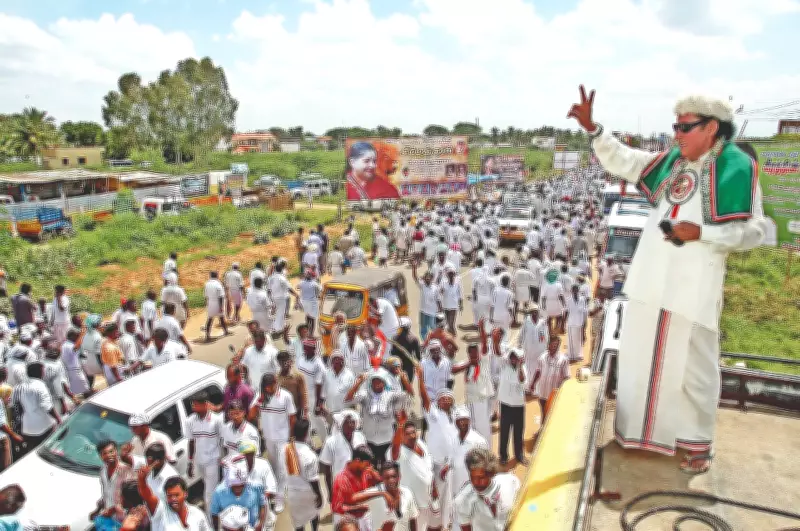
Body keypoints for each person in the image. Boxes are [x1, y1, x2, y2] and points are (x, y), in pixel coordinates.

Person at [570, 87, 767, 473]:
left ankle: (697, 444)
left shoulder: (737, 168)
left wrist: (702, 233)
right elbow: (627, 161)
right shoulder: (674, 162)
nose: (676, 134)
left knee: (693, 368)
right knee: (641, 360)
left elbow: (756, 231)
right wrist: (595, 129)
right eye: (675, 126)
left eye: (685, 127)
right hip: (650, 280)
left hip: (693, 288)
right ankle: (639, 436)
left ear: (712, 128)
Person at [248, 373, 297, 508]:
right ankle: (273, 491)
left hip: (283, 439)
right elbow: (251, 415)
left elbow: (292, 418)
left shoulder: (286, 396)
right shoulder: (260, 396)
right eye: (269, 386)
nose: (272, 388)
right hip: (268, 438)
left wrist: (291, 438)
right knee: (273, 467)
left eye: (274, 385)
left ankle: (280, 498)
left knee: (282, 468)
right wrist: (259, 401)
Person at [416, 370, 456, 531]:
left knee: (448, 497)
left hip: (449, 464)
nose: (445, 400)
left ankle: (445, 524)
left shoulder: (456, 416)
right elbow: (425, 399)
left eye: (448, 398)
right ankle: (431, 524)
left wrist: (451, 462)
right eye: (442, 398)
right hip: (434, 464)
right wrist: (420, 378)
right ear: (438, 402)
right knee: (433, 495)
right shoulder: (433, 414)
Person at [344, 372, 409, 469]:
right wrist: (358, 382)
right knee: (370, 468)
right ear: (371, 383)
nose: (377, 384)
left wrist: (404, 380)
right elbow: (348, 399)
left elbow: (408, 394)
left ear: (384, 383)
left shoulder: (392, 396)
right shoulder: (365, 394)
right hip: (369, 440)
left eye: (379, 382)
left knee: (387, 468)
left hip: (387, 440)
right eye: (374, 382)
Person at [454, 447, 520, 531]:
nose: (476, 482)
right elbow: (465, 527)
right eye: (472, 477)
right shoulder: (462, 500)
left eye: (481, 478)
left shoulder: (510, 482)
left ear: (491, 474)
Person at [280, 419, 324, 531]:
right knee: (314, 514)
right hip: (308, 492)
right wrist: (319, 495)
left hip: (292, 492)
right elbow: (313, 480)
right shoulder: (310, 455)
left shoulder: (284, 449)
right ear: (306, 433)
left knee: (298, 523)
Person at [137, 464, 209, 531]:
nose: (173, 499)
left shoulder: (197, 514)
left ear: (185, 494)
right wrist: (142, 480)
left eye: (176, 495)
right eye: (169, 496)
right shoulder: (161, 512)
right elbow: (148, 496)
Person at [186, 391, 224, 518]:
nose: (193, 408)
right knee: (210, 490)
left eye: (196, 405)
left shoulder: (216, 420)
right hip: (199, 461)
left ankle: (210, 521)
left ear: (205, 405)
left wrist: (223, 459)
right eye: (193, 405)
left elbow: (223, 440)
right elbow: (191, 442)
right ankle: (219, 507)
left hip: (213, 461)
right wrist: (190, 463)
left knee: (208, 494)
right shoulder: (190, 421)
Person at [11, 362, 61, 457]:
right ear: (39, 372)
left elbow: (15, 407)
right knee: (45, 452)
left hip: (27, 428)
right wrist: (58, 419)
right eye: (43, 371)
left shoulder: (18, 386)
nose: (44, 373)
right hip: (44, 427)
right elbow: (47, 406)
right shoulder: (40, 385)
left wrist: (17, 426)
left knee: (30, 453)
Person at [90, 440, 140, 529]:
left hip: (124, 520)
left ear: (116, 451)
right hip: (108, 519)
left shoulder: (126, 470)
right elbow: (106, 494)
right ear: (100, 456)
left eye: (111, 451)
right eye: (104, 453)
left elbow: (133, 498)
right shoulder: (103, 471)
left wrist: (113, 509)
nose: (109, 455)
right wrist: (97, 510)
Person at [320, 410, 367, 499]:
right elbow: (327, 470)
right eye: (347, 422)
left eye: (353, 422)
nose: (351, 424)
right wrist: (330, 492)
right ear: (341, 424)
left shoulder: (360, 437)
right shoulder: (331, 442)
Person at [330, 446, 381, 528]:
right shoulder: (341, 479)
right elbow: (336, 507)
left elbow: (381, 482)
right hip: (348, 521)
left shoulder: (366, 472)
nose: (369, 466)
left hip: (365, 517)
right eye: (367, 464)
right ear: (357, 460)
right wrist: (358, 507)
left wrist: (373, 473)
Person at [452, 343, 493, 444]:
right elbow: (453, 369)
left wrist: (482, 328)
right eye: (472, 354)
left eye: (476, 354)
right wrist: (469, 363)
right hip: (472, 402)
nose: (475, 357)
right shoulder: (467, 364)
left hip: (483, 400)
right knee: (474, 428)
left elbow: (485, 347)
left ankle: (487, 449)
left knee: (484, 427)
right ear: (469, 354)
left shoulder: (484, 361)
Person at [210, 458, 266, 531]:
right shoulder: (218, 492)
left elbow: (263, 505)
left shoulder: (256, 487)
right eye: (235, 486)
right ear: (229, 483)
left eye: (242, 485)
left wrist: (260, 524)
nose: (239, 488)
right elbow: (214, 513)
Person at [495, 349, 528, 466]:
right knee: (504, 431)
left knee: (519, 431)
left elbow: (522, 380)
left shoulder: (523, 369)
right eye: (512, 357)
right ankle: (503, 456)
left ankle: (519, 455)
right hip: (505, 404)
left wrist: (520, 365)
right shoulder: (504, 366)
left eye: (516, 358)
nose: (514, 359)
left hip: (518, 405)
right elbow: (498, 353)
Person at [450, 407, 488, 497]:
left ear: (469, 421)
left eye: (464, 420)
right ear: (455, 422)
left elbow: (486, 465)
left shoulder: (479, 441)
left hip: (473, 488)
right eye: (459, 420)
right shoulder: (452, 439)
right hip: (456, 486)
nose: (462, 423)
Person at [531, 337, 570, 422]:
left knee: (553, 413)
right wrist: (533, 384)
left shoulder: (563, 360)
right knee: (543, 411)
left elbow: (567, 377)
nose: (552, 347)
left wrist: (563, 391)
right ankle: (542, 429)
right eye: (551, 345)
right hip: (543, 392)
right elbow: (538, 371)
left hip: (554, 393)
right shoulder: (542, 357)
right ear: (548, 345)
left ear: (558, 346)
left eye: (555, 345)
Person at [517, 303, 549, 396]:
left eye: (536, 312)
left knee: (539, 370)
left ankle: (536, 389)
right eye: (532, 312)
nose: (534, 314)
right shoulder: (526, 322)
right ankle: (528, 388)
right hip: (529, 351)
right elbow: (521, 334)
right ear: (530, 313)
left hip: (540, 351)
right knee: (528, 369)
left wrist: (546, 347)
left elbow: (546, 336)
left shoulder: (543, 323)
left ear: (538, 313)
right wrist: (519, 345)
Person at [411, 262, 438, 341]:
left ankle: (436, 341)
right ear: (424, 278)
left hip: (432, 312)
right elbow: (415, 277)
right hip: (423, 311)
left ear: (432, 278)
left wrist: (440, 309)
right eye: (426, 277)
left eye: (429, 277)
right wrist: (414, 268)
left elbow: (438, 299)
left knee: (433, 328)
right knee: (423, 329)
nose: (428, 278)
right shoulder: (422, 285)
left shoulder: (435, 288)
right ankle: (425, 342)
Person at [391, 318, 422, 383]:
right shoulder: (414, 339)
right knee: (407, 388)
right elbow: (418, 356)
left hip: (397, 367)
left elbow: (392, 353)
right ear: (409, 326)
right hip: (409, 368)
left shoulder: (395, 338)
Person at [565, 284, 589, 363]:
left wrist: (585, 322)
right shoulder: (568, 299)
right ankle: (571, 356)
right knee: (571, 340)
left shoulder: (582, 299)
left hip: (579, 322)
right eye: (574, 290)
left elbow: (585, 311)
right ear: (571, 291)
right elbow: (566, 312)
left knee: (579, 339)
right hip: (571, 323)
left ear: (578, 290)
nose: (575, 291)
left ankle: (579, 355)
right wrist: (564, 323)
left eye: (576, 290)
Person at [204, 271, 229, 342]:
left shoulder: (207, 284)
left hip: (210, 303)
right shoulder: (218, 284)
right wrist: (221, 307)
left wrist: (207, 304)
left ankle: (207, 336)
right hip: (217, 303)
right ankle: (226, 331)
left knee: (210, 320)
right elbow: (220, 296)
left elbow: (206, 296)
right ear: (217, 276)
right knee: (221, 318)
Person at [439, 266, 463, 336]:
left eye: (452, 273)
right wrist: (441, 291)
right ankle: (450, 337)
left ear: (454, 274)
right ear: (447, 274)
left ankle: (454, 337)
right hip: (445, 305)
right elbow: (440, 292)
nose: (451, 275)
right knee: (446, 323)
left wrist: (461, 304)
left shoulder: (458, 282)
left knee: (451, 324)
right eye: (449, 273)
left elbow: (460, 293)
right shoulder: (443, 282)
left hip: (454, 306)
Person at [297, 271, 322, 336]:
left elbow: (297, 287)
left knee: (308, 317)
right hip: (312, 302)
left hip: (305, 302)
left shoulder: (302, 282)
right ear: (312, 276)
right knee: (312, 318)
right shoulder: (315, 283)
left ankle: (308, 332)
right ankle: (311, 333)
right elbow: (320, 290)